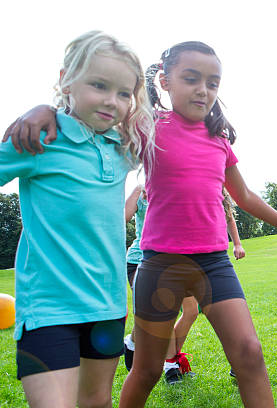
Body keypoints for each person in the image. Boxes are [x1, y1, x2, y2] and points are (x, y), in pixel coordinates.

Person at [7, 40, 277, 408]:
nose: (203, 90)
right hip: (160, 266)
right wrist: (45, 108)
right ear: (165, 80)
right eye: (191, 79)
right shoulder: (146, 126)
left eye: (212, 82)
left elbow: (245, 196)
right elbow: (93, 112)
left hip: (214, 265)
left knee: (250, 353)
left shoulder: (219, 139)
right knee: (148, 370)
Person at [0, 31, 155, 407]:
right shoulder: (38, 138)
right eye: (99, 85)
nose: (111, 101)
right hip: (49, 309)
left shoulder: (122, 148)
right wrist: (43, 108)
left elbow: (170, 124)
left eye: (124, 93)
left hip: (108, 306)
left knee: (97, 402)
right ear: (67, 79)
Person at [123, 185, 200, 385]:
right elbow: (123, 217)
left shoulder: (178, 190)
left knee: (191, 310)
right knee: (163, 313)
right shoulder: (141, 191)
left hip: (174, 261)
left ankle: (133, 341)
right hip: (140, 260)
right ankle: (170, 365)